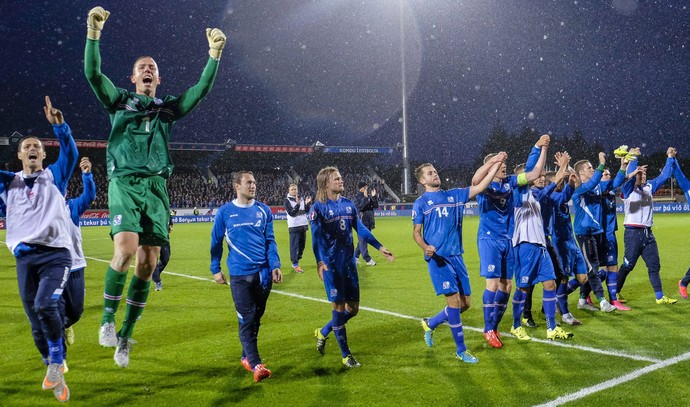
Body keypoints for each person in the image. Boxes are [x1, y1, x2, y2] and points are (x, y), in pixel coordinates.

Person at [84, 6, 226, 367]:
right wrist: (93, 34)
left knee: (148, 262)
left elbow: (202, 90)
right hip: (126, 183)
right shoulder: (119, 101)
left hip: (158, 189)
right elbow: (92, 73)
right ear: (132, 78)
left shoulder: (168, 109)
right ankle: (106, 321)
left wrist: (214, 55)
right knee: (127, 248)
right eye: (142, 68)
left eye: (154, 69)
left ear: (158, 81)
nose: (148, 70)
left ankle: (126, 335)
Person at [0, 97, 78, 402]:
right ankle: (54, 373)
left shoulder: (54, 176)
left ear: (43, 154)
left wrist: (59, 125)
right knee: (35, 325)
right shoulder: (8, 183)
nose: (32, 148)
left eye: (37, 146)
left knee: (46, 305)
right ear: (19, 155)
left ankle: (58, 359)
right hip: (25, 259)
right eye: (27, 146)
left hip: (55, 255)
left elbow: (70, 153)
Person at [414, 155, 504, 363]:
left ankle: (430, 323)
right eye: (430, 173)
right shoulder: (421, 203)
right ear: (422, 181)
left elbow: (480, 186)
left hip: (457, 257)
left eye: (435, 171)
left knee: (465, 304)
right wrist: (426, 247)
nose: (434, 174)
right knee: (454, 303)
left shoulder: (454, 195)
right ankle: (461, 350)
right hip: (438, 259)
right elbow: (417, 233)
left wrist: (495, 164)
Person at [471, 136, 551, 348]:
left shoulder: (510, 183)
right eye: (501, 166)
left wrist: (543, 149)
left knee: (507, 286)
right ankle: (488, 328)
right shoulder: (484, 186)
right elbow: (475, 180)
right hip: (489, 239)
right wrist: (492, 161)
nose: (504, 168)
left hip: (508, 239)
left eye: (505, 165)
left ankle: (494, 325)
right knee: (493, 283)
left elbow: (534, 173)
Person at [310, 167, 394, 368]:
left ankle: (323, 331)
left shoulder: (348, 205)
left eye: (340, 177)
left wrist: (379, 246)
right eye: (336, 178)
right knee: (338, 309)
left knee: (353, 309)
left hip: (348, 265)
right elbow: (316, 239)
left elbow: (361, 229)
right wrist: (320, 262)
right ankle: (346, 355)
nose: (341, 180)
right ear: (326, 183)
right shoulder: (318, 208)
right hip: (331, 267)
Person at [210, 171, 282, 382]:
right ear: (237, 186)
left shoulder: (264, 210)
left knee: (256, 317)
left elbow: (271, 241)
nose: (253, 186)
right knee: (247, 318)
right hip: (240, 274)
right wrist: (215, 268)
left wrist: (275, 265)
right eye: (248, 182)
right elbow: (216, 243)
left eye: (254, 182)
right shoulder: (225, 212)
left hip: (264, 274)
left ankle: (246, 356)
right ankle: (256, 364)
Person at [509, 141, 575, 341]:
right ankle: (516, 324)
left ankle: (551, 327)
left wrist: (566, 178)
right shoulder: (519, 193)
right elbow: (544, 186)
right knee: (523, 287)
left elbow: (555, 195)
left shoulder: (537, 195)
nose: (538, 176)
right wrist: (544, 153)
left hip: (541, 245)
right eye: (534, 174)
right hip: (525, 245)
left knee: (550, 284)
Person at [616, 148, 678, 304]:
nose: (643, 176)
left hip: (647, 233)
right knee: (628, 265)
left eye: (643, 174)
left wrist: (669, 157)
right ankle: (614, 292)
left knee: (654, 265)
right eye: (639, 174)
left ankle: (659, 297)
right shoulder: (627, 190)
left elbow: (664, 176)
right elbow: (630, 176)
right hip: (632, 233)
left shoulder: (649, 186)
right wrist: (634, 159)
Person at [571, 152, 620, 313]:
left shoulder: (597, 186)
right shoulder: (579, 189)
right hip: (584, 233)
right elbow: (591, 184)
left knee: (593, 268)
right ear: (581, 173)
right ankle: (602, 300)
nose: (592, 169)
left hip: (597, 232)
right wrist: (601, 164)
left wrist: (624, 167)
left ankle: (581, 299)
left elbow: (615, 183)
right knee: (592, 268)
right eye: (589, 168)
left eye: (593, 167)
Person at [61, 157, 97, 368]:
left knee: (76, 311)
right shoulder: (42, 210)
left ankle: (67, 325)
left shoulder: (71, 207)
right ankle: (59, 358)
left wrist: (87, 175)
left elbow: (89, 196)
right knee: (53, 312)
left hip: (75, 266)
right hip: (52, 269)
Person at [673, 159, 690, 299]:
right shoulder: (689, 188)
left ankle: (684, 282)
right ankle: (684, 283)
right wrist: (673, 159)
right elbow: (679, 175)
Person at [284, 183, 311, 273]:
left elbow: (305, 211)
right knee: (294, 246)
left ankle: (297, 259)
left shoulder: (301, 199)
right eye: (292, 189)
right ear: (289, 191)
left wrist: (307, 204)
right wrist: (298, 204)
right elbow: (292, 213)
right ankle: (295, 263)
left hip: (303, 225)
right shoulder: (287, 201)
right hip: (294, 226)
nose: (294, 191)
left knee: (302, 246)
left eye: (295, 189)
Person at [354, 180, 378, 266]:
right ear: (361, 188)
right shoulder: (357, 197)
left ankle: (355, 257)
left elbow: (375, 206)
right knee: (363, 240)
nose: (367, 189)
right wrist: (364, 198)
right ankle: (368, 259)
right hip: (362, 222)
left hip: (369, 221)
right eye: (365, 187)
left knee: (363, 240)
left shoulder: (368, 196)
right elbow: (359, 208)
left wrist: (374, 197)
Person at [152, 212, 174, 291]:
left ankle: (154, 274)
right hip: (153, 237)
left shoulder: (166, 211)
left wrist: (170, 227)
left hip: (164, 238)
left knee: (166, 258)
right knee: (154, 259)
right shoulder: (151, 209)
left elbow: (170, 224)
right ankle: (157, 281)